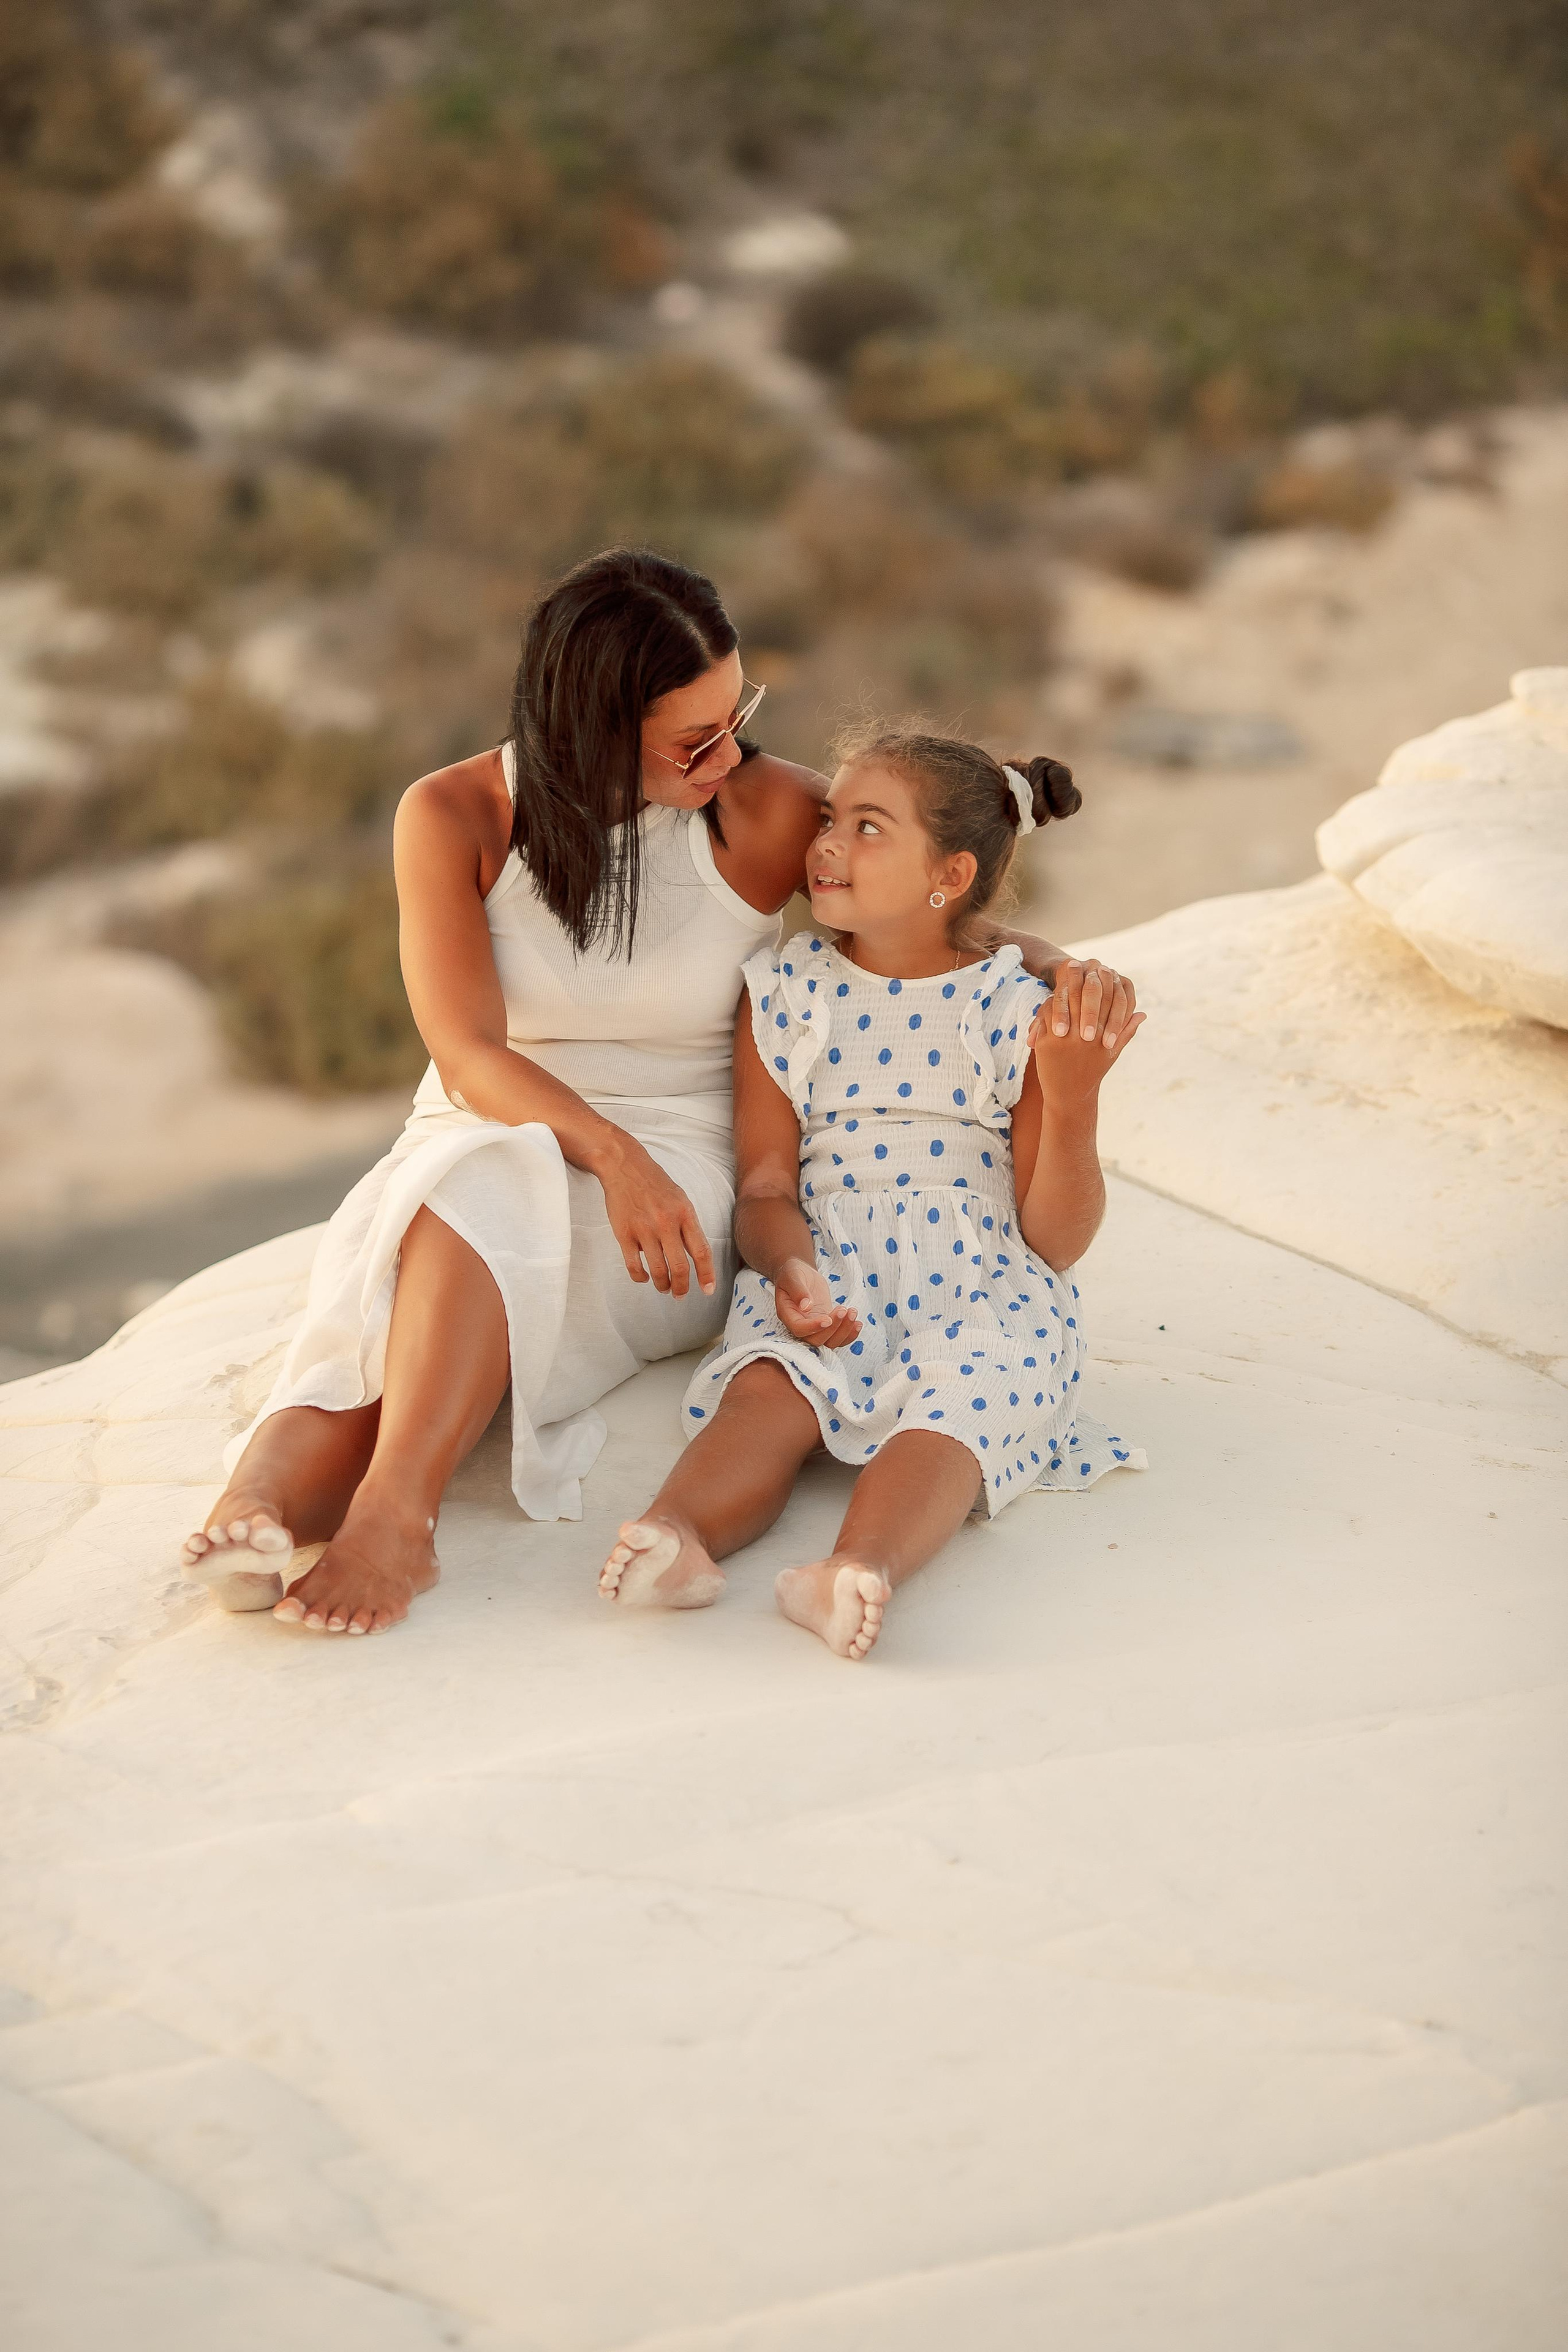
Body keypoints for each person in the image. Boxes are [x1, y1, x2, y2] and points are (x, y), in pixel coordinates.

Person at [181, 551, 1138, 1634]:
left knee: (462, 1222)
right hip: (502, 1124)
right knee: (442, 1213)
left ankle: (391, 1516)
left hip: (683, 1157)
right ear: (585, 723)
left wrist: (1059, 968)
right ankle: (262, 1509)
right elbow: (466, 1057)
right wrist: (606, 1153)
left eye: (740, 716)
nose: (728, 753)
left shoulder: (761, 809)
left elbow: (920, 898)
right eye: (693, 738)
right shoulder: (451, 815)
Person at [599, 724, 1146, 1660]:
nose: (826, 845)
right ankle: (677, 1534)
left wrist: (1075, 1095)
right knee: (771, 1389)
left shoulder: (1014, 1008)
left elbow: (1052, 1240)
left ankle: (856, 1569)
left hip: (984, 1284)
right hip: (836, 1265)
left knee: (955, 1409)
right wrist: (789, 1268)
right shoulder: (785, 992)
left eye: (868, 827)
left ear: (950, 876)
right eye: (830, 820)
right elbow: (769, 1183)